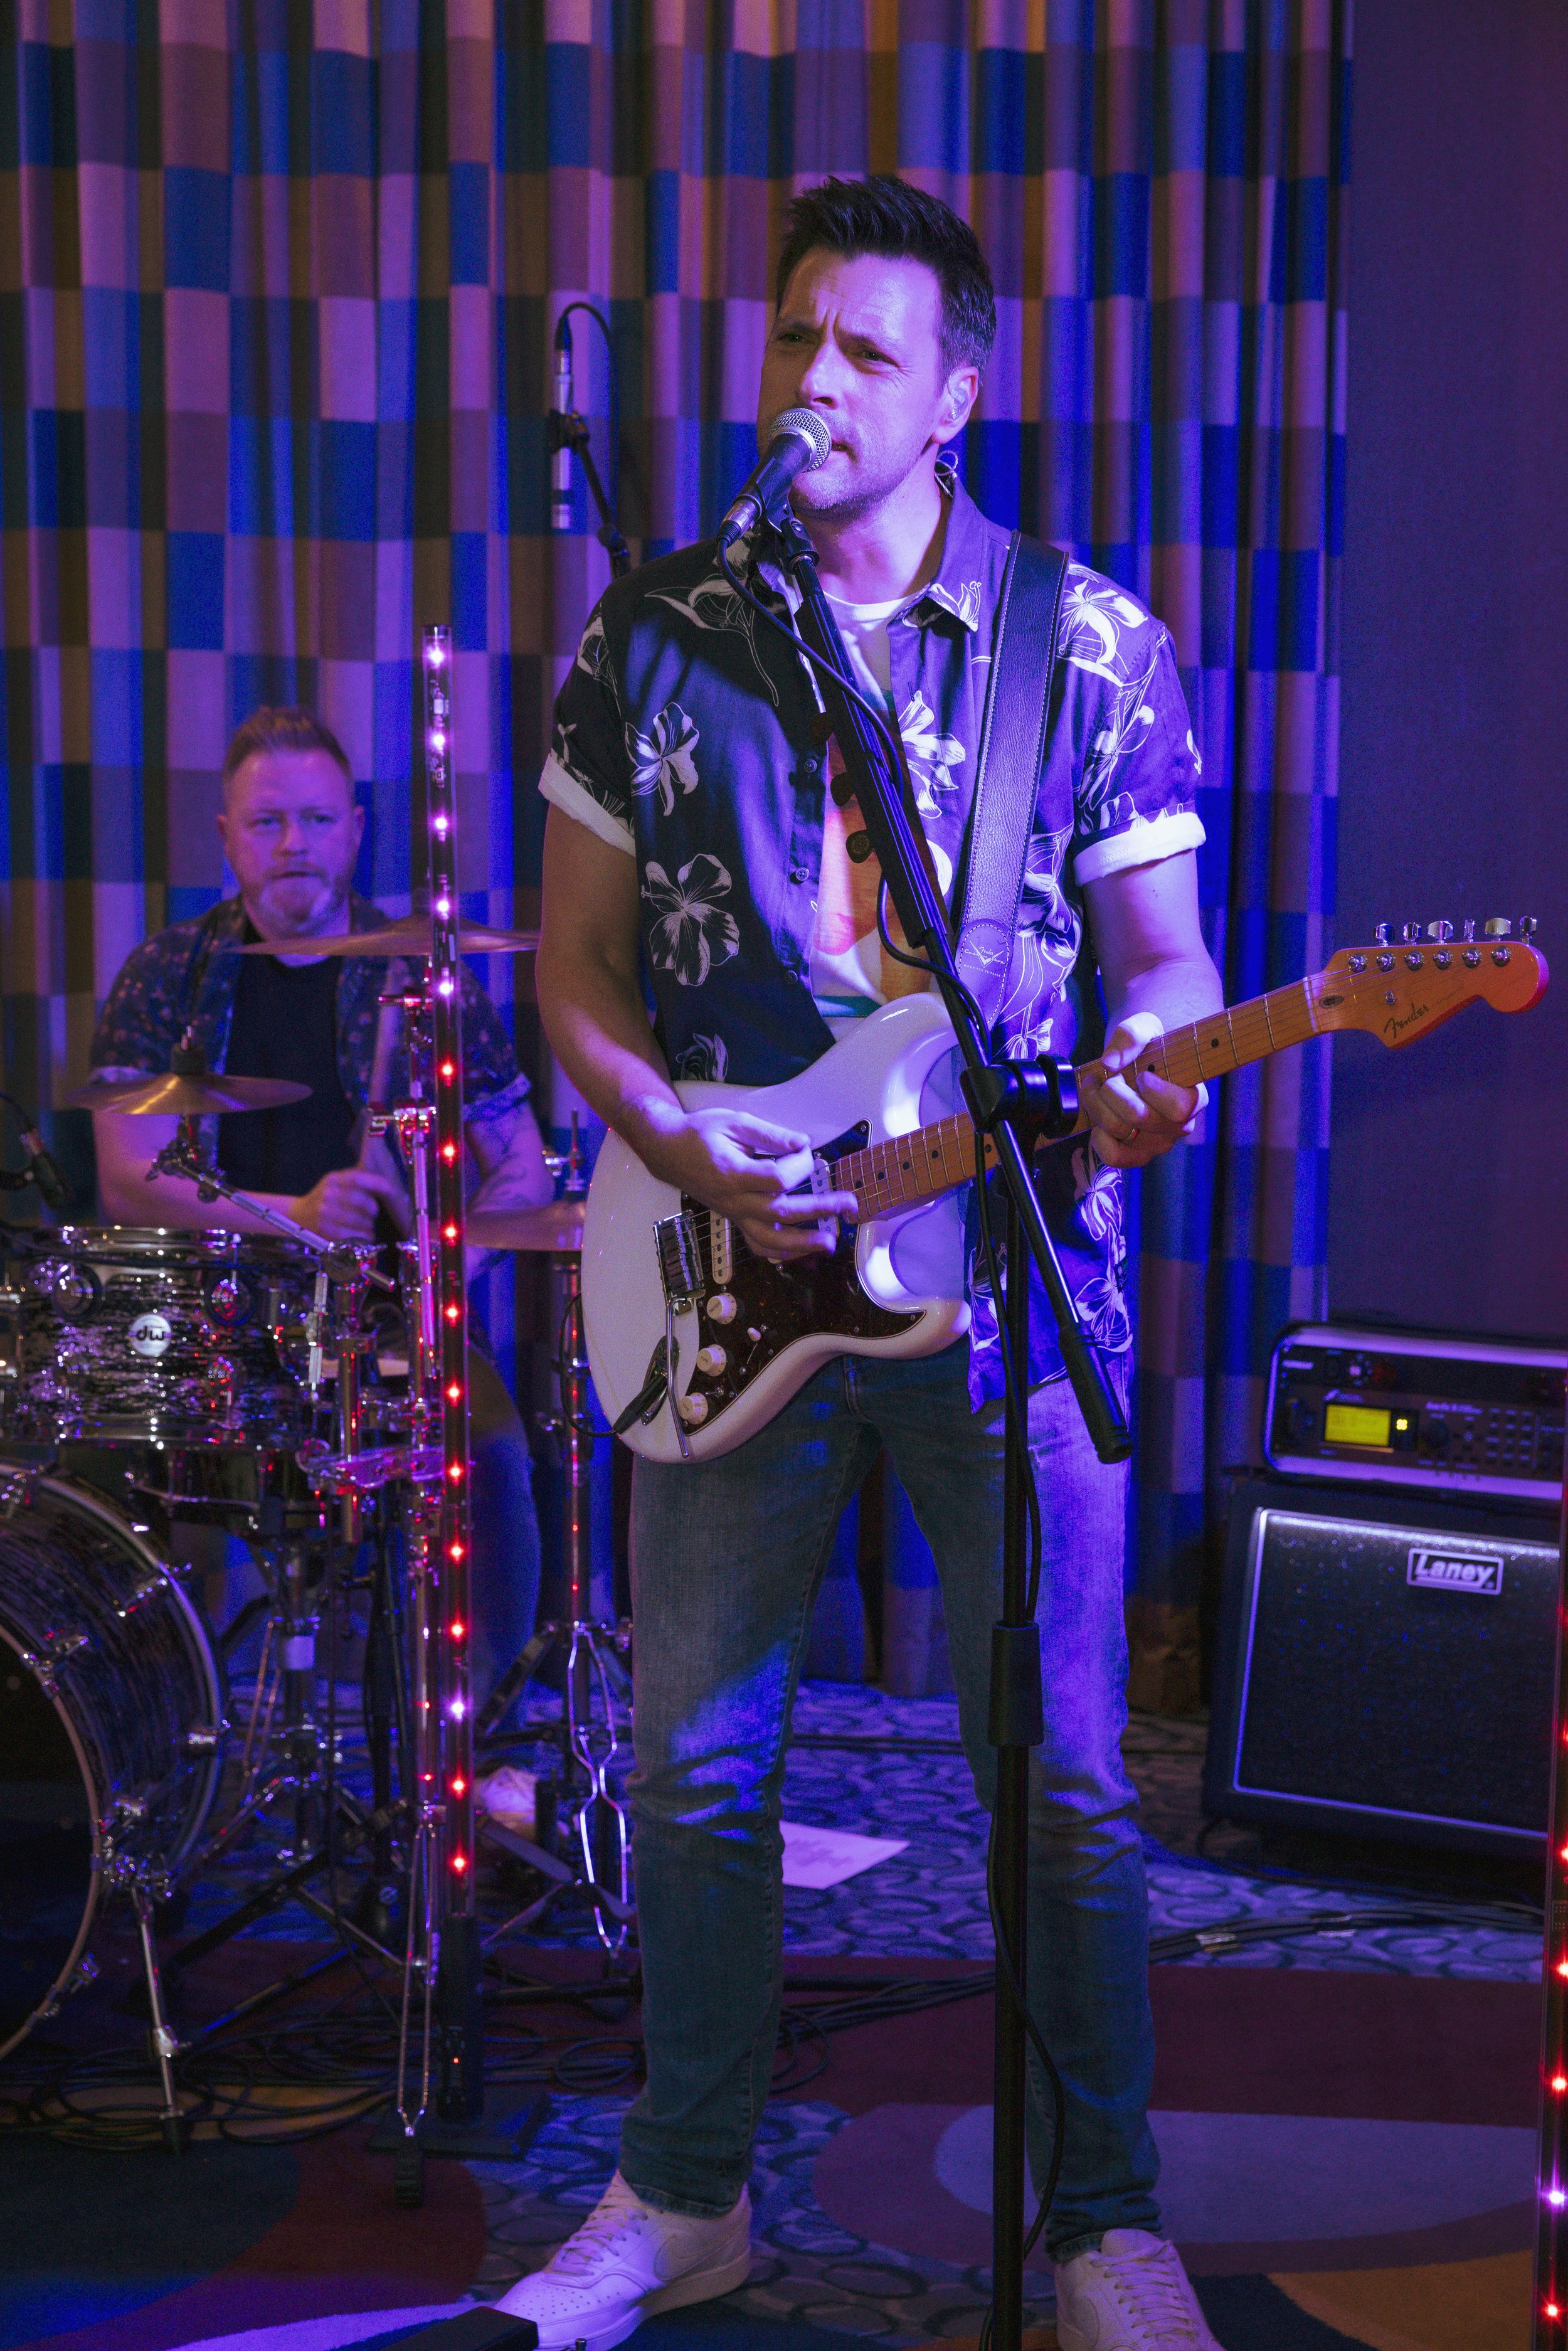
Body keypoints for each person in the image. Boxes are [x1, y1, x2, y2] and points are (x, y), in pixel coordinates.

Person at [511, 178, 1229, 2351]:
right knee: (702, 1767)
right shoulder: (653, 635)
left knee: (1072, 1776)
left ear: (961, 398)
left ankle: (1098, 2220)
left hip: (1006, 1289)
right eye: (795, 332)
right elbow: (578, 979)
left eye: (870, 350)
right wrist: (665, 1125)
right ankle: (687, 2190)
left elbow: (1170, 963)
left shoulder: (1084, 644)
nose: (815, 375)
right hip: (726, 1284)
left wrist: (1153, 1069)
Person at [88, 705, 550, 1712]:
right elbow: (127, 1175)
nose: (294, 845)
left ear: (356, 826)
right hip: (211, 1325)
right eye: (266, 824)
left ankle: (457, 1729)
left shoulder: (418, 980)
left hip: (379, 1329)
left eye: (315, 820)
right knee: (94, 1456)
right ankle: (167, 1733)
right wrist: (296, 1212)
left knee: (500, 1460)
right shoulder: (169, 975)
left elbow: (522, 1171)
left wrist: (438, 1270)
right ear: (225, 836)